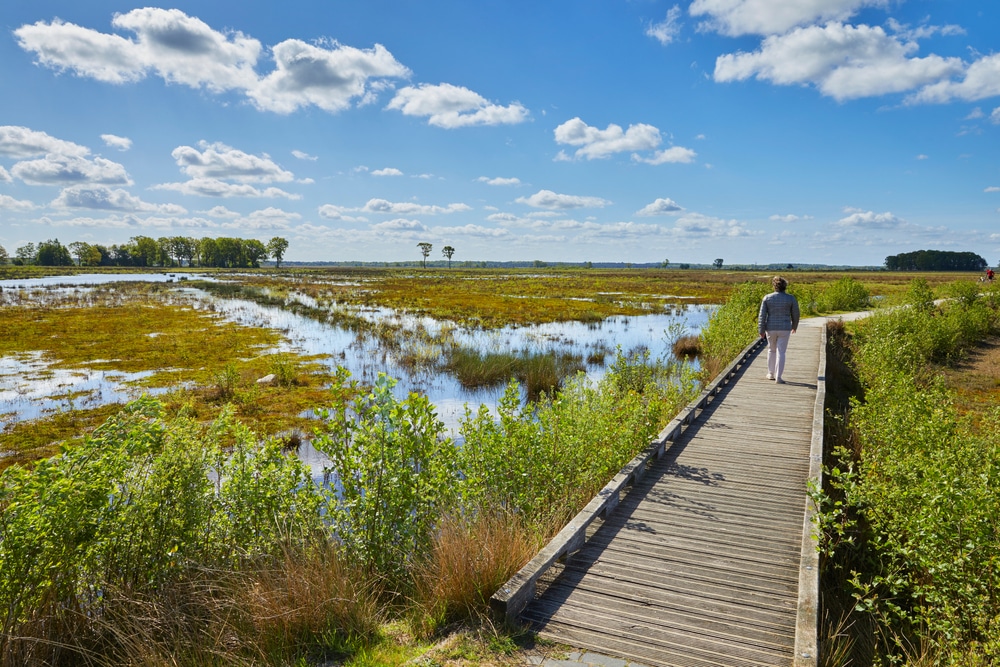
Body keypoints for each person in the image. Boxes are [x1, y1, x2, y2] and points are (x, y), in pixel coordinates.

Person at [758, 276, 800, 384]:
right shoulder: (791, 298)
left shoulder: (767, 298)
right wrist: (794, 326)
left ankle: (770, 373)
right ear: (785, 286)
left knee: (771, 350)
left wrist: (761, 329)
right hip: (785, 328)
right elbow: (796, 313)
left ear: (774, 285)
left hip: (770, 328)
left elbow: (762, 316)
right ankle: (778, 377)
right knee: (781, 352)